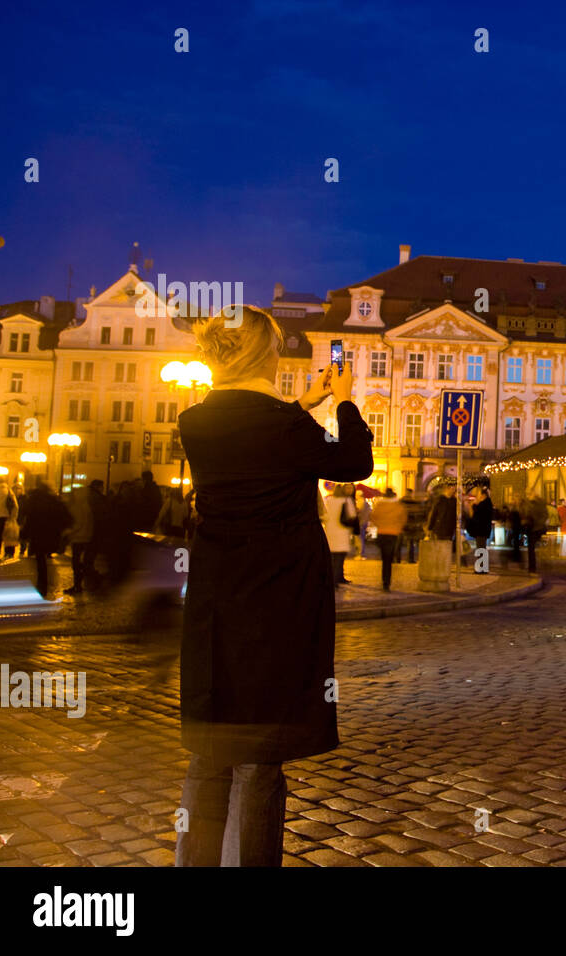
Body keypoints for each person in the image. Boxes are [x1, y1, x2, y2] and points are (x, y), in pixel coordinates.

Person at [175, 304, 372, 867]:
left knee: (211, 752)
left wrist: (303, 405)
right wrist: (342, 399)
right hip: (276, 604)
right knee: (259, 763)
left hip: (216, 604)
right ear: (268, 354)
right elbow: (355, 461)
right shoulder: (286, 428)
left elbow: (256, 435)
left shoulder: (196, 421)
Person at [20, 479, 70, 598]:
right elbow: (64, 516)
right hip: (50, 532)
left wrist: (24, 533)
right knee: (43, 556)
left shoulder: (33, 499)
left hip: (37, 532)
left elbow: (28, 516)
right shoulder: (53, 499)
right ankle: (45, 582)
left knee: (40, 558)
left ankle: (42, 583)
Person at [65, 479, 105, 594]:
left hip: (79, 538)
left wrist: (68, 533)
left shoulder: (78, 507)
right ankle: (83, 583)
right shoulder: (86, 506)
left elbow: (78, 524)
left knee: (77, 563)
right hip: (87, 536)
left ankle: (78, 585)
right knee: (83, 562)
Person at [369, 487, 406, 591]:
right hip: (393, 534)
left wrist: (379, 525)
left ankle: (385, 580)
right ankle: (386, 582)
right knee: (388, 559)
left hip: (381, 533)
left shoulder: (379, 505)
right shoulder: (398, 506)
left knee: (384, 558)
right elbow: (403, 518)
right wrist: (398, 527)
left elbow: (373, 516)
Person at [322, 483, 356, 586]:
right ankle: (336, 579)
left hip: (330, 533)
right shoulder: (346, 500)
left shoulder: (329, 500)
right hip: (342, 532)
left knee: (333, 558)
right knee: (340, 558)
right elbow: (352, 515)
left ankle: (338, 577)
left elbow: (324, 515)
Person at [426, 481, 458, 562]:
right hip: (439, 528)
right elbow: (434, 513)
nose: (453, 490)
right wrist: (430, 528)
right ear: (447, 489)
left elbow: (456, 515)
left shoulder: (454, 501)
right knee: (439, 546)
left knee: (447, 548)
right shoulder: (440, 499)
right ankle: (439, 562)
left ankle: (445, 563)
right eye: (452, 488)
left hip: (450, 529)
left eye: (454, 489)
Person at [466, 486, 494, 573]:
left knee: (481, 549)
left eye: (478, 494)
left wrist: (473, 505)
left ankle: (481, 568)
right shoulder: (486, 503)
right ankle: (482, 568)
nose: (477, 496)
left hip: (481, 529)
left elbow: (477, 514)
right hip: (482, 529)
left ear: (483, 495)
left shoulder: (485, 504)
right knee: (482, 548)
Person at [522, 494, 549, 572]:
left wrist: (535, 523)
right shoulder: (537, 505)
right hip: (536, 528)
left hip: (535, 529)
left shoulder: (535, 506)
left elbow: (542, 516)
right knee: (533, 549)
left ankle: (532, 567)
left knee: (532, 549)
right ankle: (534, 567)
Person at [355, 490, 372, 559]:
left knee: (359, 539)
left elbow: (358, 513)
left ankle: (360, 554)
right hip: (364, 522)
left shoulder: (359, 502)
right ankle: (362, 553)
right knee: (362, 538)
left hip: (360, 523)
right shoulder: (366, 503)